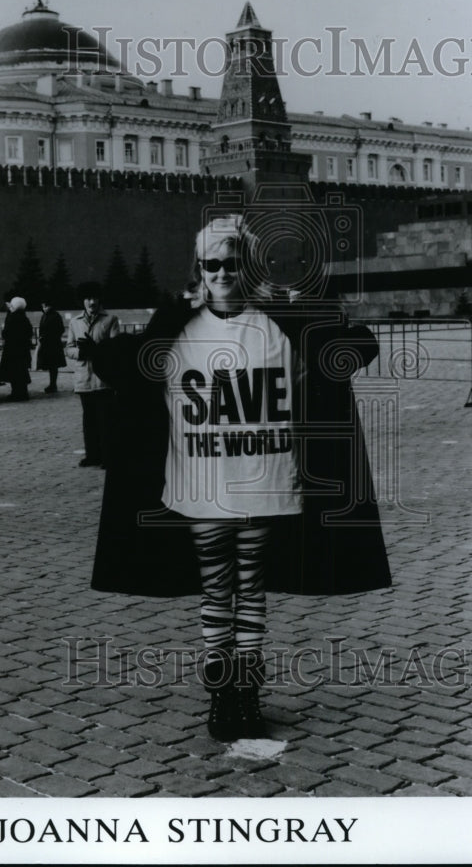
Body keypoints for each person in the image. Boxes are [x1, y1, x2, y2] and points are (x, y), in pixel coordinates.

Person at [84, 215, 391, 742]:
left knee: (249, 587)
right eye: (211, 264)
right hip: (201, 482)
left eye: (232, 263)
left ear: (247, 267)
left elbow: (357, 347)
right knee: (214, 587)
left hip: (264, 480)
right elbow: (113, 364)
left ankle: (245, 690)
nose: (222, 273)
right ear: (198, 270)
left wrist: (295, 310)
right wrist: (168, 314)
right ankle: (221, 691)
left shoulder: (278, 326)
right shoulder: (176, 331)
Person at [65, 282, 120, 467]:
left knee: (106, 421)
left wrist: (96, 350)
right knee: (89, 421)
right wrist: (80, 352)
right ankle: (92, 455)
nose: (91, 302)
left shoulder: (110, 319)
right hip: (84, 378)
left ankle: (107, 456)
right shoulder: (74, 322)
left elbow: (115, 348)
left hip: (103, 379)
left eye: (94, 298)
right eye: (88, 298)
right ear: (83, 300)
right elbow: (69, 348)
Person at [0, 295, 33, 401]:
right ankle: (23, 392)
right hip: (23, 350)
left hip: (12, 350)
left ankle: (16, 393)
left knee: (14, 373)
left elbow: (6, 333)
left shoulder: (12, 318)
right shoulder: (24, 318)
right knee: (22, 372)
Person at [36, 296, 67, 393]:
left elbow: (61, 329)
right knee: (51, 365)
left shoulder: (54, 316)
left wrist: (50, 336)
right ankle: (52, 384)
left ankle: (53, 385)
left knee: (53, 366)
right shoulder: (45, 315)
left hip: (52, 344)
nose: (44, 308)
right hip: (48, 344)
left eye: (46, 306)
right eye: (43, 307)